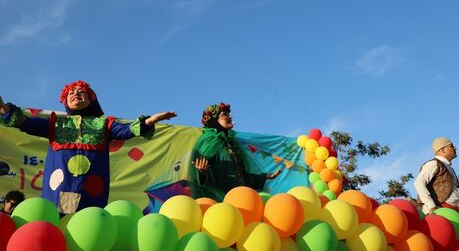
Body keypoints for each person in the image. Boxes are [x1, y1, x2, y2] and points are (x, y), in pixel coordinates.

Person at [0, 80, 176, 214]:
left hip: (90, 194)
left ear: (90, 99)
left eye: (82, 92)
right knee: (56, 228)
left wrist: (149, 121)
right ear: (65, 101)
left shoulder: (104, 124)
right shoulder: (56, 124)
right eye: (71, 93)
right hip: (58, 191)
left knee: (86, 231)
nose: (76, 94)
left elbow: (127, 130)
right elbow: (26, 122)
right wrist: (4, 107)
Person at [191, 102, 281, 201]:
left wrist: (266, 176)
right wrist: (202, 173)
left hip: (241, 198)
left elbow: (243, 177)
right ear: (214, 120)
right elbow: (197, 177)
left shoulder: (232, 144)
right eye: (224, 114)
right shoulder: (207, 142)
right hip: (221, 202)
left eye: (228, 114)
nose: (230, 117)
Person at [414, 137, 459, 215]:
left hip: (453, 212)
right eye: (451, 146)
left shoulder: (448, 166)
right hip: (438, 212)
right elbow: (418, 183)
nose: (455, 148)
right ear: (442, 150)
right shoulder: (433, 163)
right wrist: (431, 206)